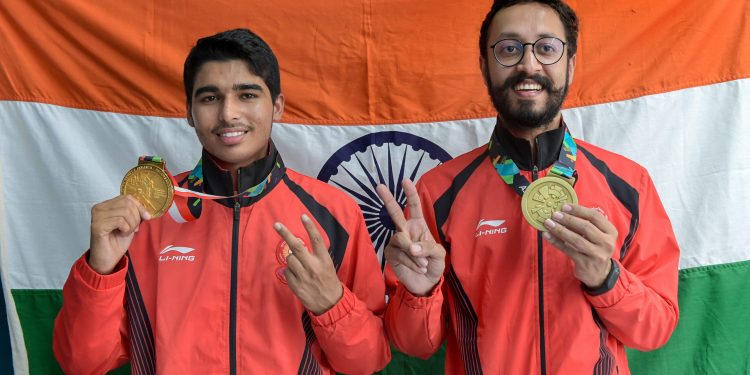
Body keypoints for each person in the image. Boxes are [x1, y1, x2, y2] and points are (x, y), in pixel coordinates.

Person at [53, 28, 390, 374]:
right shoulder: (146, 216)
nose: (228, 114)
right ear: (189, 112)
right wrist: (100, 269)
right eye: (210, 98)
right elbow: (82, 362)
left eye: (246, 95)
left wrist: (332, 305)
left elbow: (367, 361)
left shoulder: (334, 212)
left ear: (277, 106)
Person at [377, 1, 680, 374]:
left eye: (547, 48)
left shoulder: (629, 184)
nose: (528, 64)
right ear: (484, 65)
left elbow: (656, 330)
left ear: (570, 63)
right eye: (508, 49)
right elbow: (413, 345)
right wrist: (419, 292)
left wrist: (607, 278)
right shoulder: (437, 194)